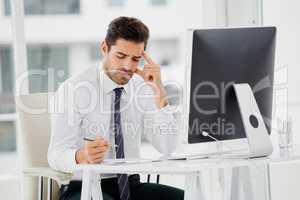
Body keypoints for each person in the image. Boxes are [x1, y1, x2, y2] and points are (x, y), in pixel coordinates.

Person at [48, 16, 184, 200]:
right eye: (120, 56)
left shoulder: (143, 87)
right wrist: (81, 155)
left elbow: (167, 147)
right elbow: (55, 155)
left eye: (136, 59)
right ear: (104, 48)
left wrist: (159, 93)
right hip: (84, 187)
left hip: (131, 185)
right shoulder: (74, 89)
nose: (128, 66)